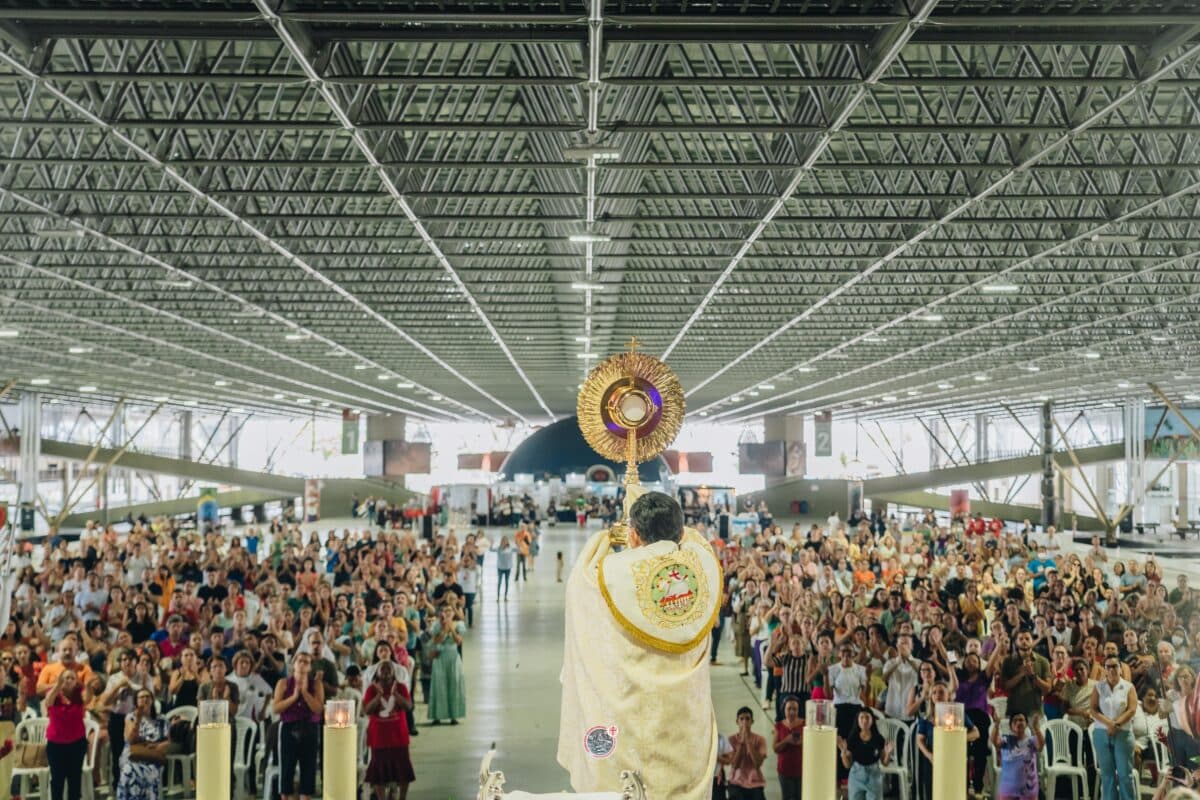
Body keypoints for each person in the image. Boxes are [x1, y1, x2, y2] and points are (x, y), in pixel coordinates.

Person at [558, 488, 722, 799]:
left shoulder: (611, 578)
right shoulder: (702, 568)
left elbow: (581, 581)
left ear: (632, 535)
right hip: (684, 732)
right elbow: (697, 542)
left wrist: (607, 538)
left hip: (629, 732)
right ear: (681, 530)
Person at [273, 651, 325, 800]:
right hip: (289, 728)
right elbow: (276, 708)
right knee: (287, 769)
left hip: (310, 728)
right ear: (293, 664)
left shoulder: (316, 684)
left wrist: (305, 694)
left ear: (310, 667)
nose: (302, 664)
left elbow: (319, 709)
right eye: (299, 661)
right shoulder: (283, 683)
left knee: (308, 769)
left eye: (306, 662)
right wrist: (294, 697)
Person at [362, 660, 415, 800]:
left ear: (393, 672)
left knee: (403, 771)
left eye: (388, 669)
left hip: (399, 736)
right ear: (377, 673)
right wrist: (378, 696)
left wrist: (395, 694)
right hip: (378, 738)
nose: (385, 671)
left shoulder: (401, 687)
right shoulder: (371, 689)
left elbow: (408, 707)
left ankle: (402, 797)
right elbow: (367, 710)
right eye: (382, 669)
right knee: (378, 773)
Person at [1092, 654, 1139, 800]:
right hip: (1101, 732)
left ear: (1120, 668)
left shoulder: (1128, 687)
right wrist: (1109, 724)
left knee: (1125, 775)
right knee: (1107, 775)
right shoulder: (1098, 686)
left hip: (1123, 733)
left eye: (1115, 666)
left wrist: (1116, 724)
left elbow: (1131, 709)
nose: (1112, 669)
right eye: (1108, 666)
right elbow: (1093, 710)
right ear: (1104, 669)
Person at [45, 667, 89, 800]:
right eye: (66, 678)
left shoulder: (79, 693)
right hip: (56, 745)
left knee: (74, 780)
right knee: (57, 781)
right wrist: (58, 685)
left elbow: (87, 699)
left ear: (76, 681)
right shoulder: (53, 693)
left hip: (77, 743)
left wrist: (90, 687)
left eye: (72, 678)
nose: (68, 680)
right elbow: (48, 702)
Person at [117, 688, 169, 800]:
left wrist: (157, 747)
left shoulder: (162, 719)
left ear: (152, 700)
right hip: (132, 755)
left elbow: (169, 741)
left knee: (147, 772)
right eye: (141, 697)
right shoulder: (130, 718)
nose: (145, 699)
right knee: (128, 769)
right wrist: (138, 720)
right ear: (136, 701)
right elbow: (130, 740)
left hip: (153, 757)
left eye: (147, 696)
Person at [839, 708, 891, 800]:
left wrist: (888, 753)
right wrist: (843, 753)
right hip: (856, 776)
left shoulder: (878, 739)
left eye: (867, 717)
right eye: (861, 717)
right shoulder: (852, 739)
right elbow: (847, 765)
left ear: (872, 720)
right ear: (857, 721)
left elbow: (885, 763)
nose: (865, 720)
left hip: (874, 777)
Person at [427, 604, 466, 725]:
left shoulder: (459, 624)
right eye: (444, 610)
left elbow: (458, 641)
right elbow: (436, 640)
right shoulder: (436, 625)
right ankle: (437, 715)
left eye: (449, 610)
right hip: (440, 656)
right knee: (439, 685)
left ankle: (454, 715)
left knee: (454, 684)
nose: (447, 612)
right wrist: (444, 629)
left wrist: (451, 628)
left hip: (453, 656)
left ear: (453, 613)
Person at [992, 710, 1044, 800]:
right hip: (1008, 791)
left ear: (1026, 724)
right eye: (1015, 721)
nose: (1018, 722)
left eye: (1021, 720)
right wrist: (996, 725)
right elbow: (995, 741)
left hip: (1028, 791)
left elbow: (1041, 746)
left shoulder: (1031, 741)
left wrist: (1036, 728)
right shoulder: (1006, 740)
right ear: (1011, 727)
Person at [727, 706, 767, 800]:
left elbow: (758, 763)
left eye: (747, 719)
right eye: (741, 719)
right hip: (736, 783)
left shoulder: (760, 740)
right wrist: (742, 742)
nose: (744, 722)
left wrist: (748, 741)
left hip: (755, 783)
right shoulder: (731, 740)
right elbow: (735, 764)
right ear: (737, 722)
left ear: (752, 721)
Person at [772, 695, 803, 800]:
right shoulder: (779, 726)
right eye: (789, 709)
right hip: (784, 771)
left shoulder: (805, 724)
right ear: (784, 710)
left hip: (801, 770)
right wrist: (786, 740)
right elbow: (775, 748)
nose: (792, 712)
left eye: (795, 709)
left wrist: (802, 742)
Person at [494, 537, 514, 602]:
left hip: (508, 568)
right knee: (499, 582)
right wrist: (491, 544)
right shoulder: (499, 548)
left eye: (506, 541)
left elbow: (518, 550)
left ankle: (505, 596)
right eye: (503, 541)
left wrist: (520, 545)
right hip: (500, 568)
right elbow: (491, 549)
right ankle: (498, 597)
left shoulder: (510, 548)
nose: (505, 542)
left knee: (506, 582)